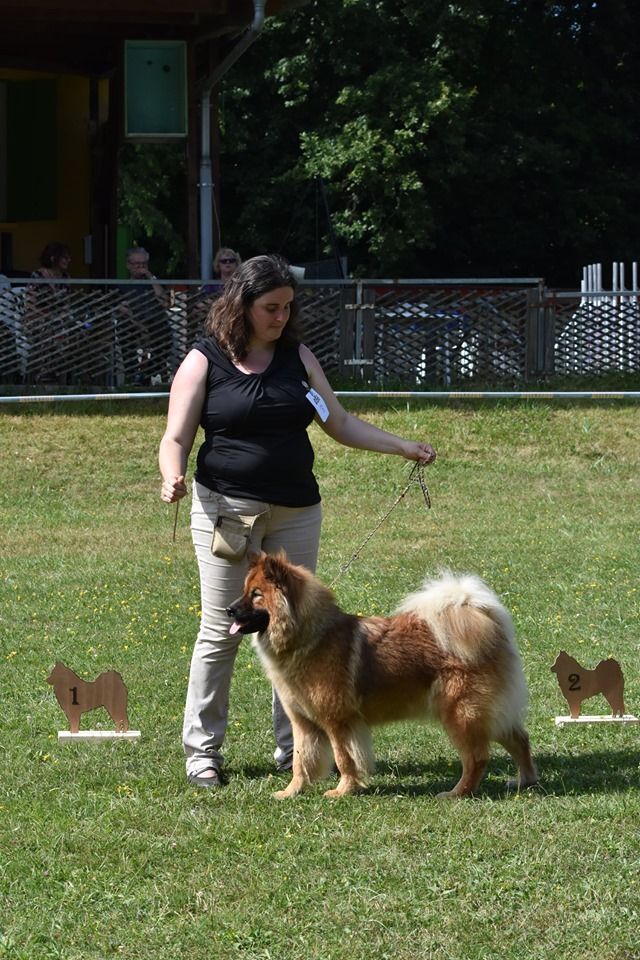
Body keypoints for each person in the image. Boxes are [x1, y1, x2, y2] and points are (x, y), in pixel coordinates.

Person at [158, 254, 437, 788]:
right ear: (242, 304)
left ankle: (296, 751)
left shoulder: (298, 358)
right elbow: (175, 437)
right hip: (227, 515)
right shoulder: (204, 360)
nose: (281, 316)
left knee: (296, 629)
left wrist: (402, 446)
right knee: (221, 630)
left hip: (296, 512)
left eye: (287, 307)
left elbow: (340, 422)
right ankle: (202, 752)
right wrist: (172, 475)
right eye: (271, 307)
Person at [116, 247, 173, 384]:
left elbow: (165, 302)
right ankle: (132, 376)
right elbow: (121, 309)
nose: (141, 267)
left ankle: (148, 372)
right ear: (129, 265)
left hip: (156, 325)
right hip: (132, 324)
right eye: (137, 264)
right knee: (125, 332)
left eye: (144, 264)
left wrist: (150, 277)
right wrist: (140, 327)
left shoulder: (154, 283)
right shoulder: (123, 286)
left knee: (165, 335)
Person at [24, 242, 73, 382]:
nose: (68, 260)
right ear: (53, 258)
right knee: (49, 330)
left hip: (59, 321)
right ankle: (44, 374)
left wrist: (62, 315)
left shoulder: (66, 278)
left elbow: (67, 304)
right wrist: (48, 317)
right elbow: (30, 304)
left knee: (74, 331)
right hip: (37, 319)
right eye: (65, 257)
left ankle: (61, 375)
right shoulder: (37, 276)